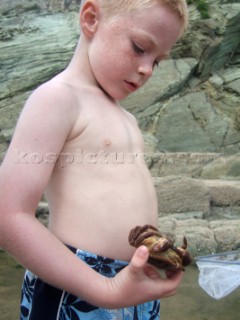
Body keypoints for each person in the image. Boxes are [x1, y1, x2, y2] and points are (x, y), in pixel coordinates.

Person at [0, 0, 188, 319]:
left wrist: (158, 254)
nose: (147, 69)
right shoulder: (59, 97)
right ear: (90, 19)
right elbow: (7, 214)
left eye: (157, 61)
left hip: (132, 284)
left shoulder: (126, 117)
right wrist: (105, 289)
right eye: (139, 47)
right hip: (75, 283)